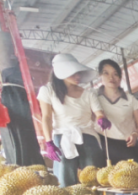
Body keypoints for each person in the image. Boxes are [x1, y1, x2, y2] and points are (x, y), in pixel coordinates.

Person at [38, 53, 109, 186]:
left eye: (79, 73)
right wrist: (49, 143)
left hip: (88, 137)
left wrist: (101, 119)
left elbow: (99, 113)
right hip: (63, 138)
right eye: (74, 73)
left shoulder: (88, 94)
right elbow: (46, 117)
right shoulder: (48, 91)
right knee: (64, 180)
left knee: (94, 178)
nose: (78, 77)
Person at [96, 59, 138, 166]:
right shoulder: (93, 96)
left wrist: (135, 134)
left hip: (129, 145)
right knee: (106, 176)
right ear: (100, 75)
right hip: (104, 146)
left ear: (120, 77)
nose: (111, 77)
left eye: (115, 74)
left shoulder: (130, 99)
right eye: (106, 73)